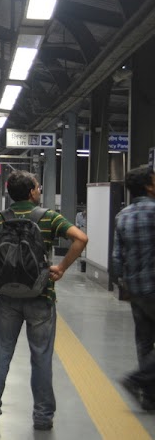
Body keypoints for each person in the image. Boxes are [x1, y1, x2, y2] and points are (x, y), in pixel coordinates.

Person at [0, 170, 87, 431]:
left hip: (8, 298)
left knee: (1, 353)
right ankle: (43, 417)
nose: (39, 190)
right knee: (41, 356)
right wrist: (62, 267)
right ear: (32, 192)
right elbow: (81, 238)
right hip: (41, 296)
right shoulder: (49, 218)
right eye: (37, 187)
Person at [113, 165, 155, 410]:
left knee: (144, 341)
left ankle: (149, 396)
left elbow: (117, 257)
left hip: (136, 288)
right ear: (149, 186)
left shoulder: (123, 215)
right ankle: (138, 379)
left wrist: (123, 284)